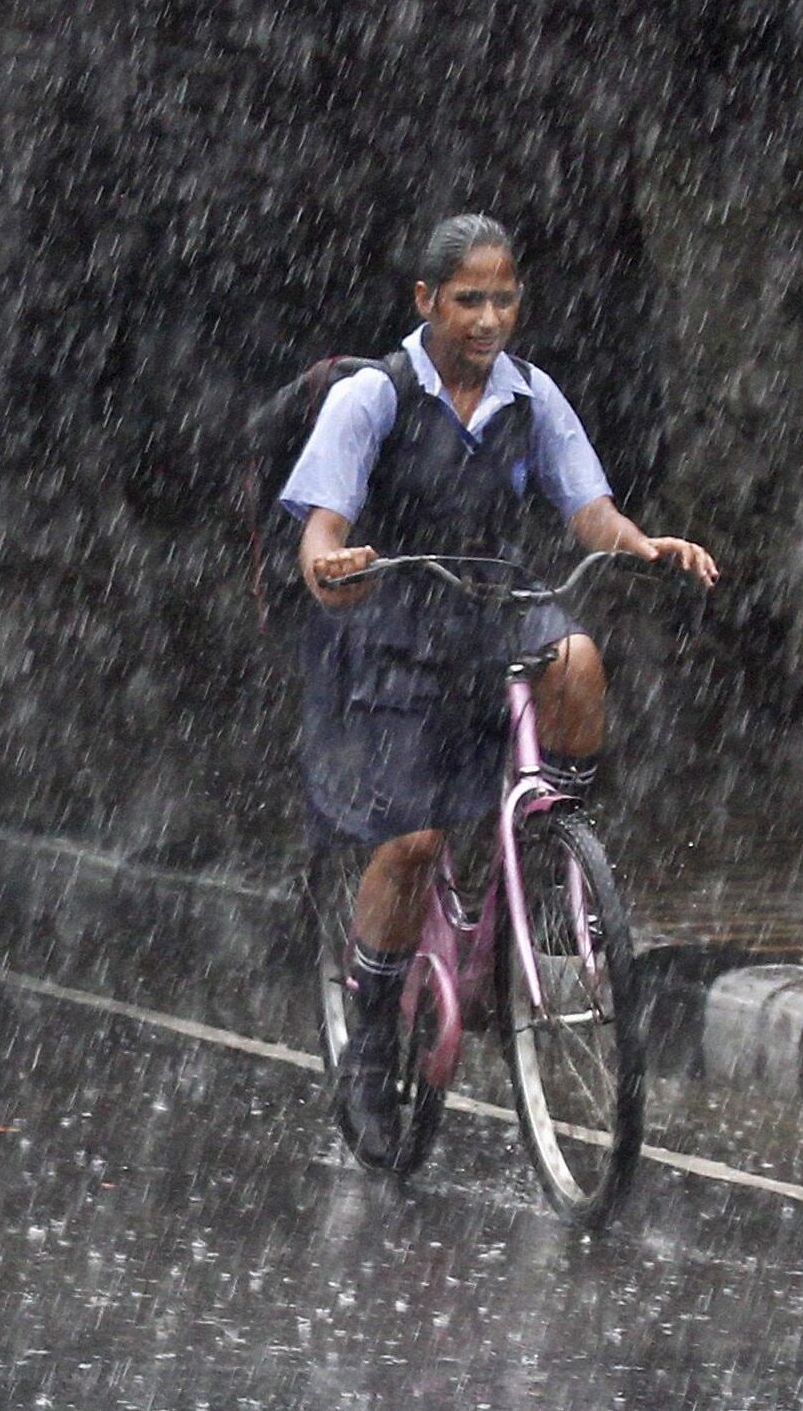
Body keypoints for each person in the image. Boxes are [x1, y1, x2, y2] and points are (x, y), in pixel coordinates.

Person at [278, 212, 720, 1163]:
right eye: (468, 299)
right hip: (393, 618)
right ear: (426, 301)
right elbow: (321, 525)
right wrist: (332, 565)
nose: (488, 318)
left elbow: (587, 506)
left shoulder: (532, 397)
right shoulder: (374, 398)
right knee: (411, 842)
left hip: (493, 601)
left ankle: (552, 850)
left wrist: (642, 544)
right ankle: (368, 1043)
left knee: (579, 661)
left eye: (504, 298)